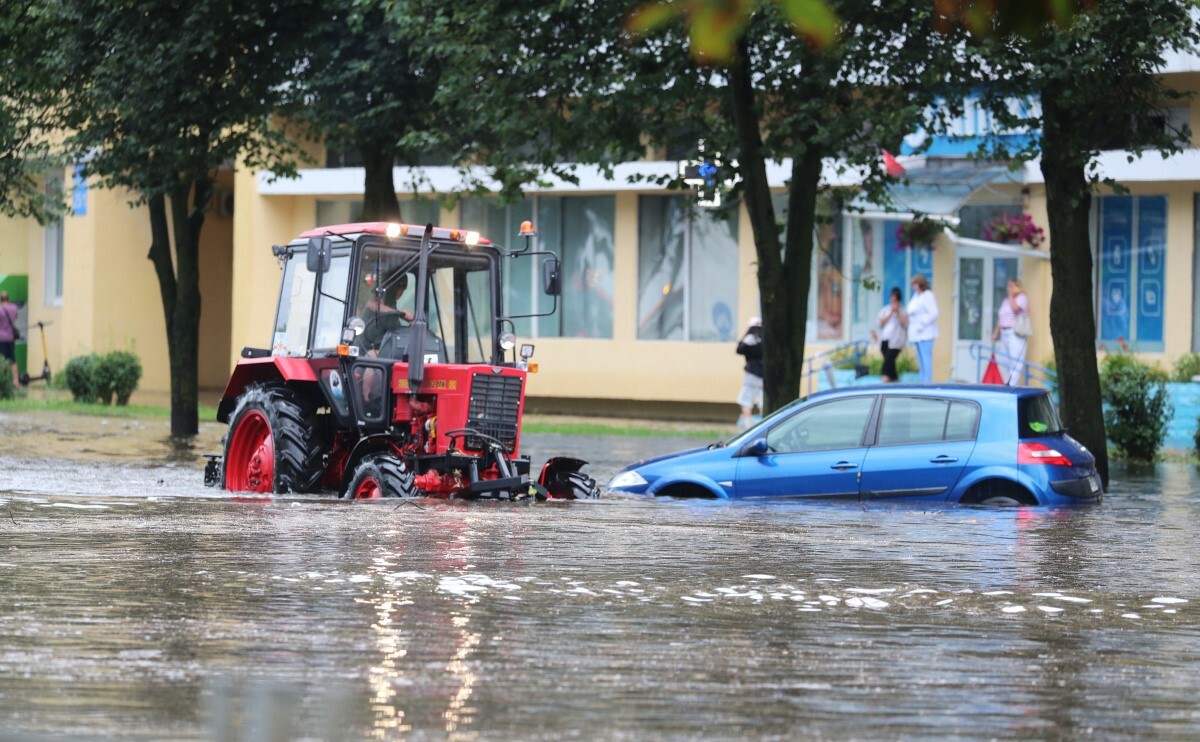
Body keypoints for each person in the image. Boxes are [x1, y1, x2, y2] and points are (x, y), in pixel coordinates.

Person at [991, 278, 1030, 385]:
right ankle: (1007, 382)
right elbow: (1002, 318)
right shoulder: (1006, 300)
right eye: (1008, 286)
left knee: (1015, 359)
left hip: (1015, 332)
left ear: (1017, 287)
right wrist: (995, 333)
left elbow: (1016, 309)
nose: (1009, 289)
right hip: (1005, 332)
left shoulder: (1021, 298)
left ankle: (1012, 384)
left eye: (1012, 286)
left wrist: (1012, 297)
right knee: (1005, 359)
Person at [905, 274, 938, 383]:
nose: (914, 287)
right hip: (917, 334)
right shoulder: (916, 296)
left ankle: (927, 381)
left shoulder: (928, 295)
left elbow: (934, 313)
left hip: (925, 333)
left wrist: (922, 324)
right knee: (920, 359)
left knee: (926, 357)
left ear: (921, 284)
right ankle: (922, 379)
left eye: (916, 284)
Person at [874, 287, 907, 382]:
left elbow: (906, 323)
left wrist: (897, 312)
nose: (893, 302)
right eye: (892, 300)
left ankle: (885, 379)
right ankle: (895, 382)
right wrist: (890, 313)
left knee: (888, 361)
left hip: (896, 342)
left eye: (895, 300)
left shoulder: (903, 311)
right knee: (890, 363)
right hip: (884, 340)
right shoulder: (885, 310)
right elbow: (880, 322)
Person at [735, 317, 764, 428]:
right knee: (763, 401)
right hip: (763, 377)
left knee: (746, 401)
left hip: (751, 376)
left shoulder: (749, 339)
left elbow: (739, 349)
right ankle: (764, 423)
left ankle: (748, 425)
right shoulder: (765, 339)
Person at [0, 291, 19, 388]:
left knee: (2, 360)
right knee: (12, 360)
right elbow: (15, 318)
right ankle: (16, 381)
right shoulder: (14, 308)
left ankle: (3, 381)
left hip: (1, 339)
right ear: (9, 299)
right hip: (11, 338)